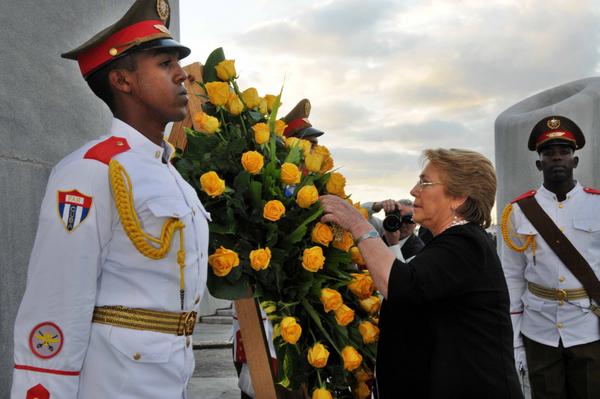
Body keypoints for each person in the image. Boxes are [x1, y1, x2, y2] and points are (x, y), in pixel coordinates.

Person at [10, 1, 210, 397]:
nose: (181, 74)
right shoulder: (91, 170)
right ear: (122, 81)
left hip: (171, 379)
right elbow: (57, 300)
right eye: (164, 63)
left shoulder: (172, 176)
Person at [320, 148, 523, 398]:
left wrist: (358, 224)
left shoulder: (465, 244)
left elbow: (400, 285)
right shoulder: (452, 244)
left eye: (425, 182)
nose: (414, 190)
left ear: (459, 197)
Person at [500, 115, 600, 399]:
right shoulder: (517, 211)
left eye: (564, 152)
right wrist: (516, 340)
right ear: (538, 162)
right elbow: (512, 275)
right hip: (539, 329)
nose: (557, 158)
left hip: (588, 327)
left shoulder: (597, 204)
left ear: (575, 160)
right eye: (549, 153)